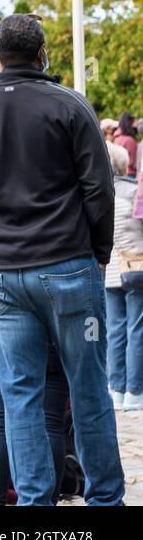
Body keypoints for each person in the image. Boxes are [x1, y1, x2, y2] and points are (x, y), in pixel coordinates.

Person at [0, 12, 124, 505]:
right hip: (68, 264)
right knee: (87, 390)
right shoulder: (68, 105)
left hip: (5, 274)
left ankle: (34, 503)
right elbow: (99, 188)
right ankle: (105, 499)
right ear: (43, 52)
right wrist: (99, 252)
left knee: (20, 396)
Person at [0, 240, 70, 506]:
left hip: (5, 329)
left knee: (1, 422)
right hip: (51, 330)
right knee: (51, 422)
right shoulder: (58, 206)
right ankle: (48, 500)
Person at [105, 142, 143, 411]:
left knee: (115, 330)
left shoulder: (100, 193)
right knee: (137, 328)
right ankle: (135, 391)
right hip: (135, 265)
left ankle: (116, 389)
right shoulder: (132, 192)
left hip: (110, 271)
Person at [114, 112, 138, 178]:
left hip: (119, 175)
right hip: (130, 175)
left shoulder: (116, 139)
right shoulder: (130, 141)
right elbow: (134, 162)